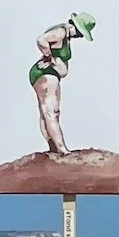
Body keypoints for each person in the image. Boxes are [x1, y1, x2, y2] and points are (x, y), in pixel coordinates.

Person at [28, 13, 96, 155]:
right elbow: (41, 40)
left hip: (52, 74)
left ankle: (53, 144)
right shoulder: (60, 32)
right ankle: (62, 149)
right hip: (46, 73)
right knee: (50, 111)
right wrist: (49, 57)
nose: (80, 36)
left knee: (49, 112)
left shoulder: (65, 35)